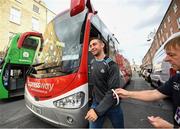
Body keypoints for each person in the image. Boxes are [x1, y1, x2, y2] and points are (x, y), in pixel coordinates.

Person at [114, 33, 180, 129]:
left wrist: (169, 127)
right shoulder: (176, 79)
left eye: (171, 54)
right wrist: (128, 94)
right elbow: (155, 93)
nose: (165, 59)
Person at [85, 37, 124, 128]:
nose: (92, 47)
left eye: (94, 44)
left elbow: (113, 91)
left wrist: (97, 111)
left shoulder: (111, 65)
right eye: (90, 46)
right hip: (96, 103)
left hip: (112, 106)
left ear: (102, 45)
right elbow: (95, 83)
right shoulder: (92, 63)